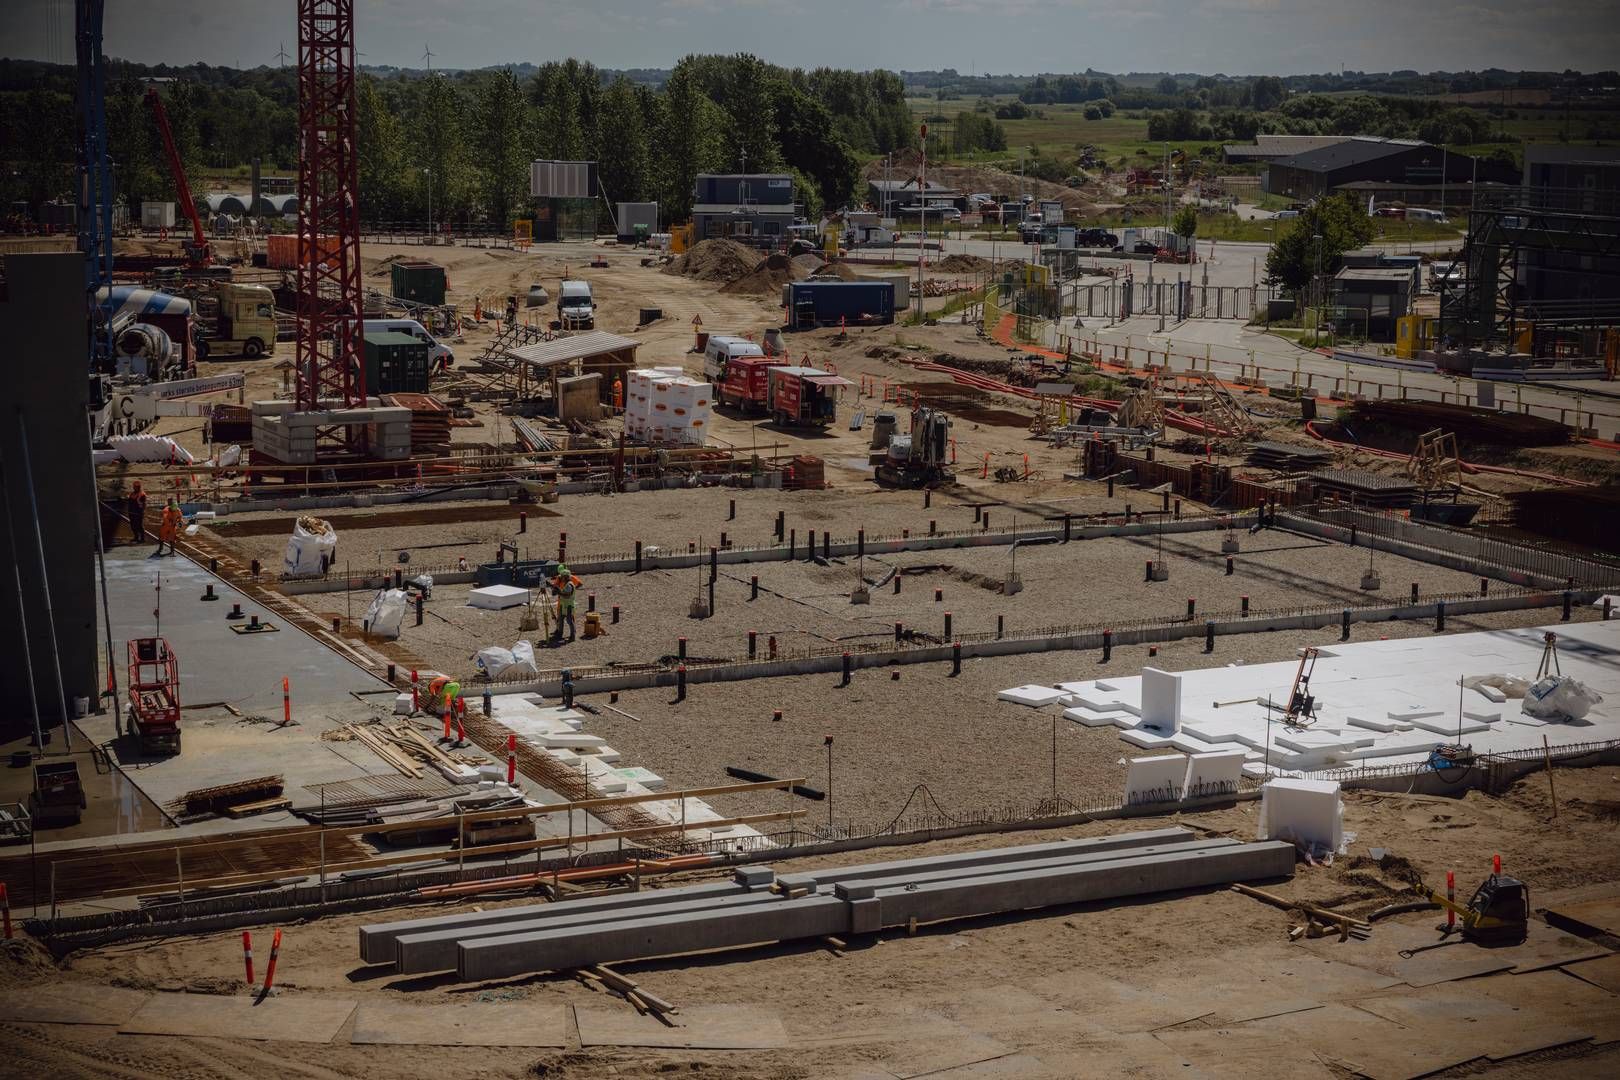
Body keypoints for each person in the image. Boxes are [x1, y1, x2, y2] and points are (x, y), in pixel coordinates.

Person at [549, 563, 582, 644]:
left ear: (565, 577)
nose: (561, 578)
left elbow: (566, 595)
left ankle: (572, 636)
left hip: (568, 605)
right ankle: (560, 634)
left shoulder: (569, 585)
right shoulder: (567, 584)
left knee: (569, 620)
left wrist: (558, 591)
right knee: (560, 619)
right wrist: (556, 589)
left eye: (562, 577)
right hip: (563, 605)